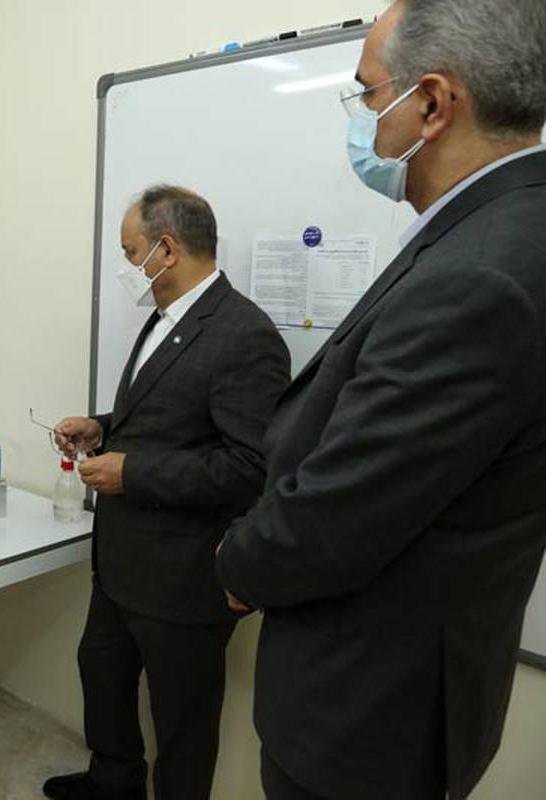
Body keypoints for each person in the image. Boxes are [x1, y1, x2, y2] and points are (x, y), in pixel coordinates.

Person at [215, 2, 546, 798]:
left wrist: (238, 562)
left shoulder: (481, 274)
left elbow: (343, 509)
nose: (364, 118)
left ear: (431, 103)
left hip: (363, 718)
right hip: (393, 695)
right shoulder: (497, 229)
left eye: (368, 93)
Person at [43, 186, 290, 800]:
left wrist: (132, 473)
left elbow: (250, 467)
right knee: (102, 675)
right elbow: (167, 420)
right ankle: (113, 781)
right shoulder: (163, 316)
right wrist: (102, 427)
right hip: (121, 563)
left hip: (183, 577)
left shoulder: (244, 334)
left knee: (182, 722)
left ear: (168, 249)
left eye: (132, 252)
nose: (128, 266)